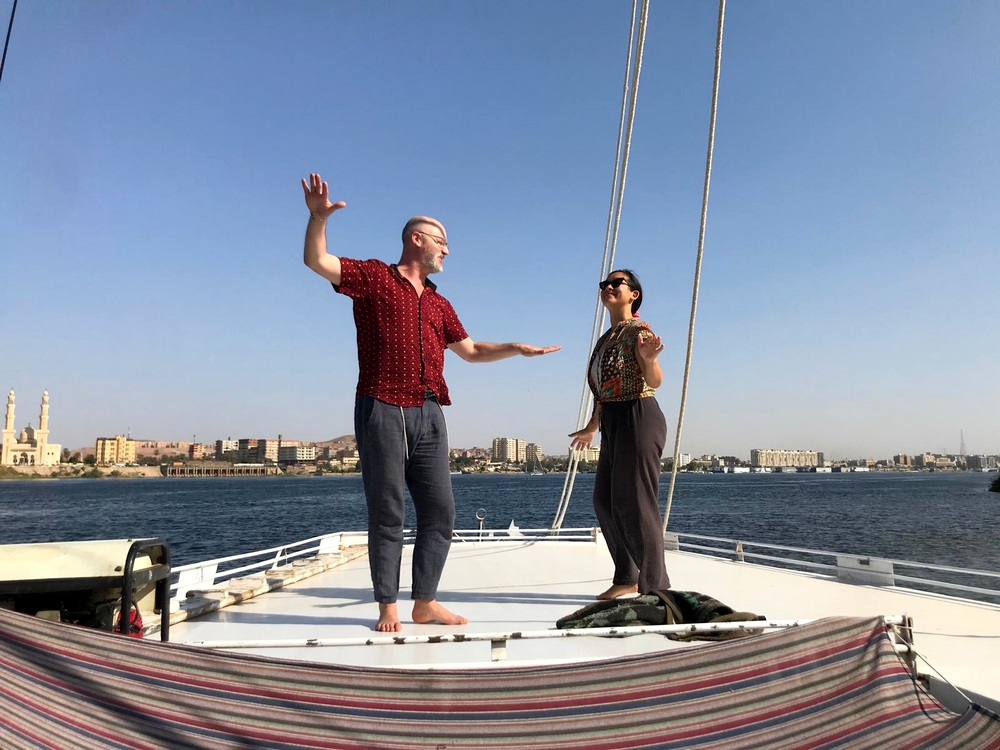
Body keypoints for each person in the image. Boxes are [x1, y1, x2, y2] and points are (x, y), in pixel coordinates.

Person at [301, 173, 560, 633]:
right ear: (417, 240)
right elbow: (317, 260)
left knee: (441, 513)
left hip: (430, 411)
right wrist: (318, 219)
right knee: (388, 512)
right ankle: (388, 606)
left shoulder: (440, 304)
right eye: (442, 243)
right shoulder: (375, 277)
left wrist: (515, 348)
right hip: (382, 407)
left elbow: (472, 351)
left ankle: (425, 602)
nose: (447, 252)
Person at [569, 269, 670, 599]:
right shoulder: (606, 338)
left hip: (638, 414)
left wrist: (649, 360)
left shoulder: (639, 331)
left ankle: (655, 587)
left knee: (637, 503)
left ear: (633, 295)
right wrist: (592, 426)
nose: (608, 287)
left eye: (617, 283)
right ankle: (627, 576)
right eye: (605, 284)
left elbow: (654, 381)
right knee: (604, 501)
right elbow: (604, 390)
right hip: (614, 418)